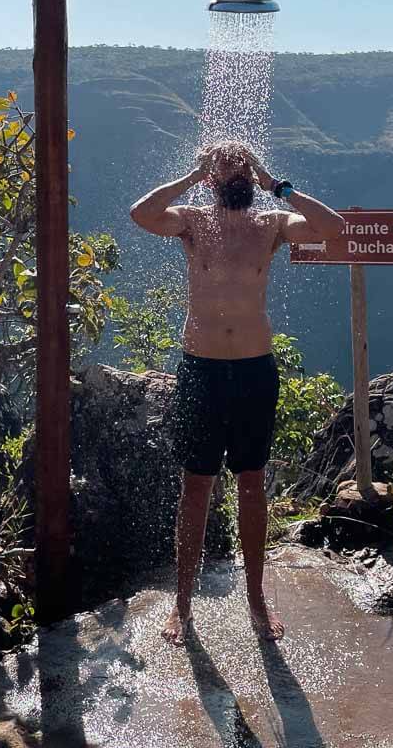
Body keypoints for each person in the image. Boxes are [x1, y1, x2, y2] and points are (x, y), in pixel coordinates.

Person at [128, 140, 345, 645]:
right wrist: (190, 176)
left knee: (252, 482)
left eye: (243, 164)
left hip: (253, 370)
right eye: (225, 166)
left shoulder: (271, 223)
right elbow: (141, 212)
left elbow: (331, 228)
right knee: (196, 484)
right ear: (211, 177)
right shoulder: (191, 220)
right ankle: (182, 606)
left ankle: (256, 597)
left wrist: (277, 186)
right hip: (200, 369)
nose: (236, 171)